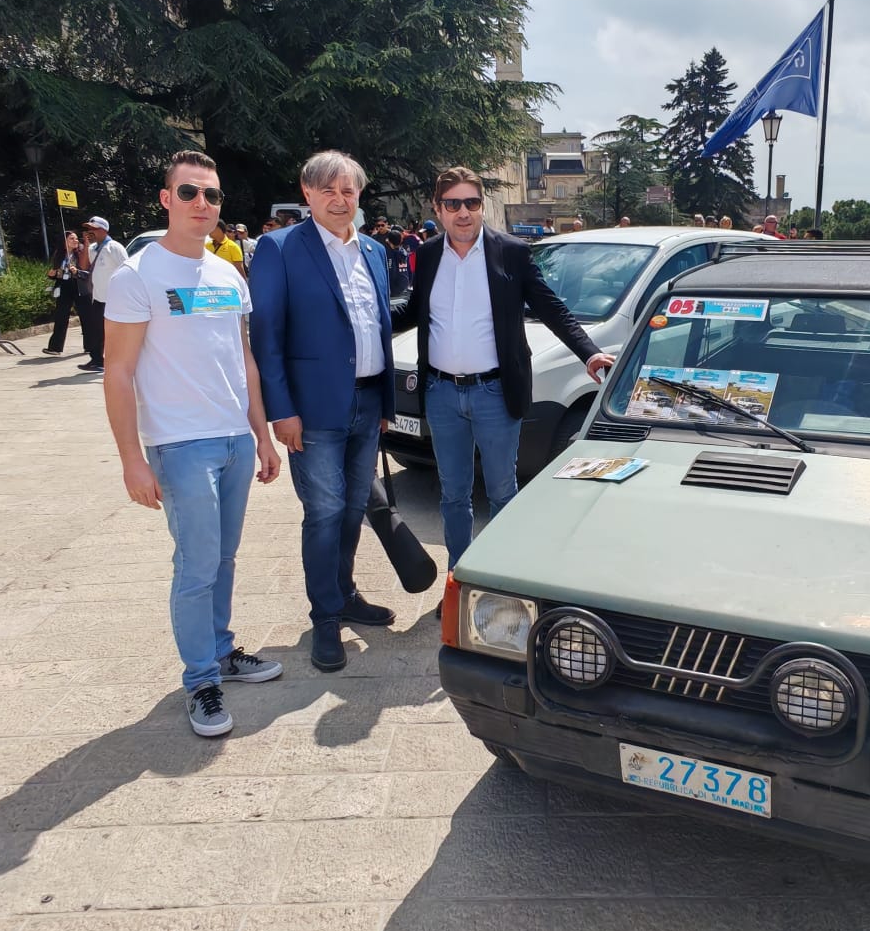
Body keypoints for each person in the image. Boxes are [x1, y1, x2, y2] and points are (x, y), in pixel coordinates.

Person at [102, 150, 284, 738]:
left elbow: (243, 359)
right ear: (166, 199)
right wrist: (131, 459)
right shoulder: (137, 276)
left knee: (223, 559)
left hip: (234, 439)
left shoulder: (228, 274)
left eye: (212, 194)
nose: (202, 203)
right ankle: (201, 680)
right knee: (196, 564)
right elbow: (117, 372)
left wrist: (261, 435)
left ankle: (222, 651)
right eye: (189, 192)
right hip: (180, 445)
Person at [394, 166, 613, 567]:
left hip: (495, 392)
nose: (463, 212)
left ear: (482, 206)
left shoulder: (510, 252)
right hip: (441, 394)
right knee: (453, 494)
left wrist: (589, 352)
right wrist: (364, 323)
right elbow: (413, 311)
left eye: (472, 202)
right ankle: (459, 574)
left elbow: (550, 307)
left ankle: (499, 574)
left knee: (501, 491)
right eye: (453, 204)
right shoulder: (427, 255)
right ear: (438, 209)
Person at [251, 150, 398, 673]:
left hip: (368, 402)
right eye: (328, 190)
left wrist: (386, 403)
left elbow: (378, 326)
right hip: (311, 411)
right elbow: (266, 336)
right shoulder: (279, 248)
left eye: (348, 190)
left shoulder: (374, 251)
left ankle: (346, 593)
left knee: (354, 507)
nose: (340, 200)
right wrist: (281, 411)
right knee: (325, 512)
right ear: (307, 193)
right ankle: (326, 618)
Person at [76, 217, 128, 372]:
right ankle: (97, 360)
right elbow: (83, 265)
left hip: (114, 299)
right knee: (96, 330)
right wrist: (86, 244)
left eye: (93, 229)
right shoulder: (92, 248)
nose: (90, 232)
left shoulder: (114, 247)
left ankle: (117, 360)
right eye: (88, 229)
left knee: (113, 332)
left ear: (103, 230)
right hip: (99, 297)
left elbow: (127, 269)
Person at [43, 230, 83, 355]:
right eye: (72, 238)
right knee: (61, 316)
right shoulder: (59, 255)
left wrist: (77, 271)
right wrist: (52, 274)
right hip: (64, 286)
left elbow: (86, 270)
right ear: (64, 241)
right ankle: (55, 347)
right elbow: (56, 273)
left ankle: (91, 346)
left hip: (78, 285)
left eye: (76, 238)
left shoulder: (81, 253)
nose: (75, 241)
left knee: (85, 316)